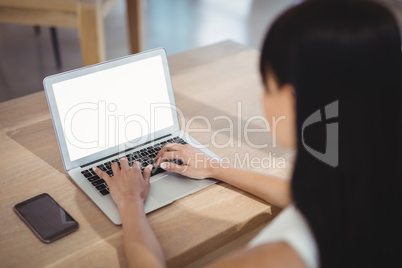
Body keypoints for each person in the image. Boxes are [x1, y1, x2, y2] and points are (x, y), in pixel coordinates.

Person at [93, 0, 402, 267]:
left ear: (295, 101)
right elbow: (309, 197)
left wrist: (131, 202)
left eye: (266, 84)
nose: (261, 99)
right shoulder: (370, 185)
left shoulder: (277, 258)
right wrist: (215, 166)